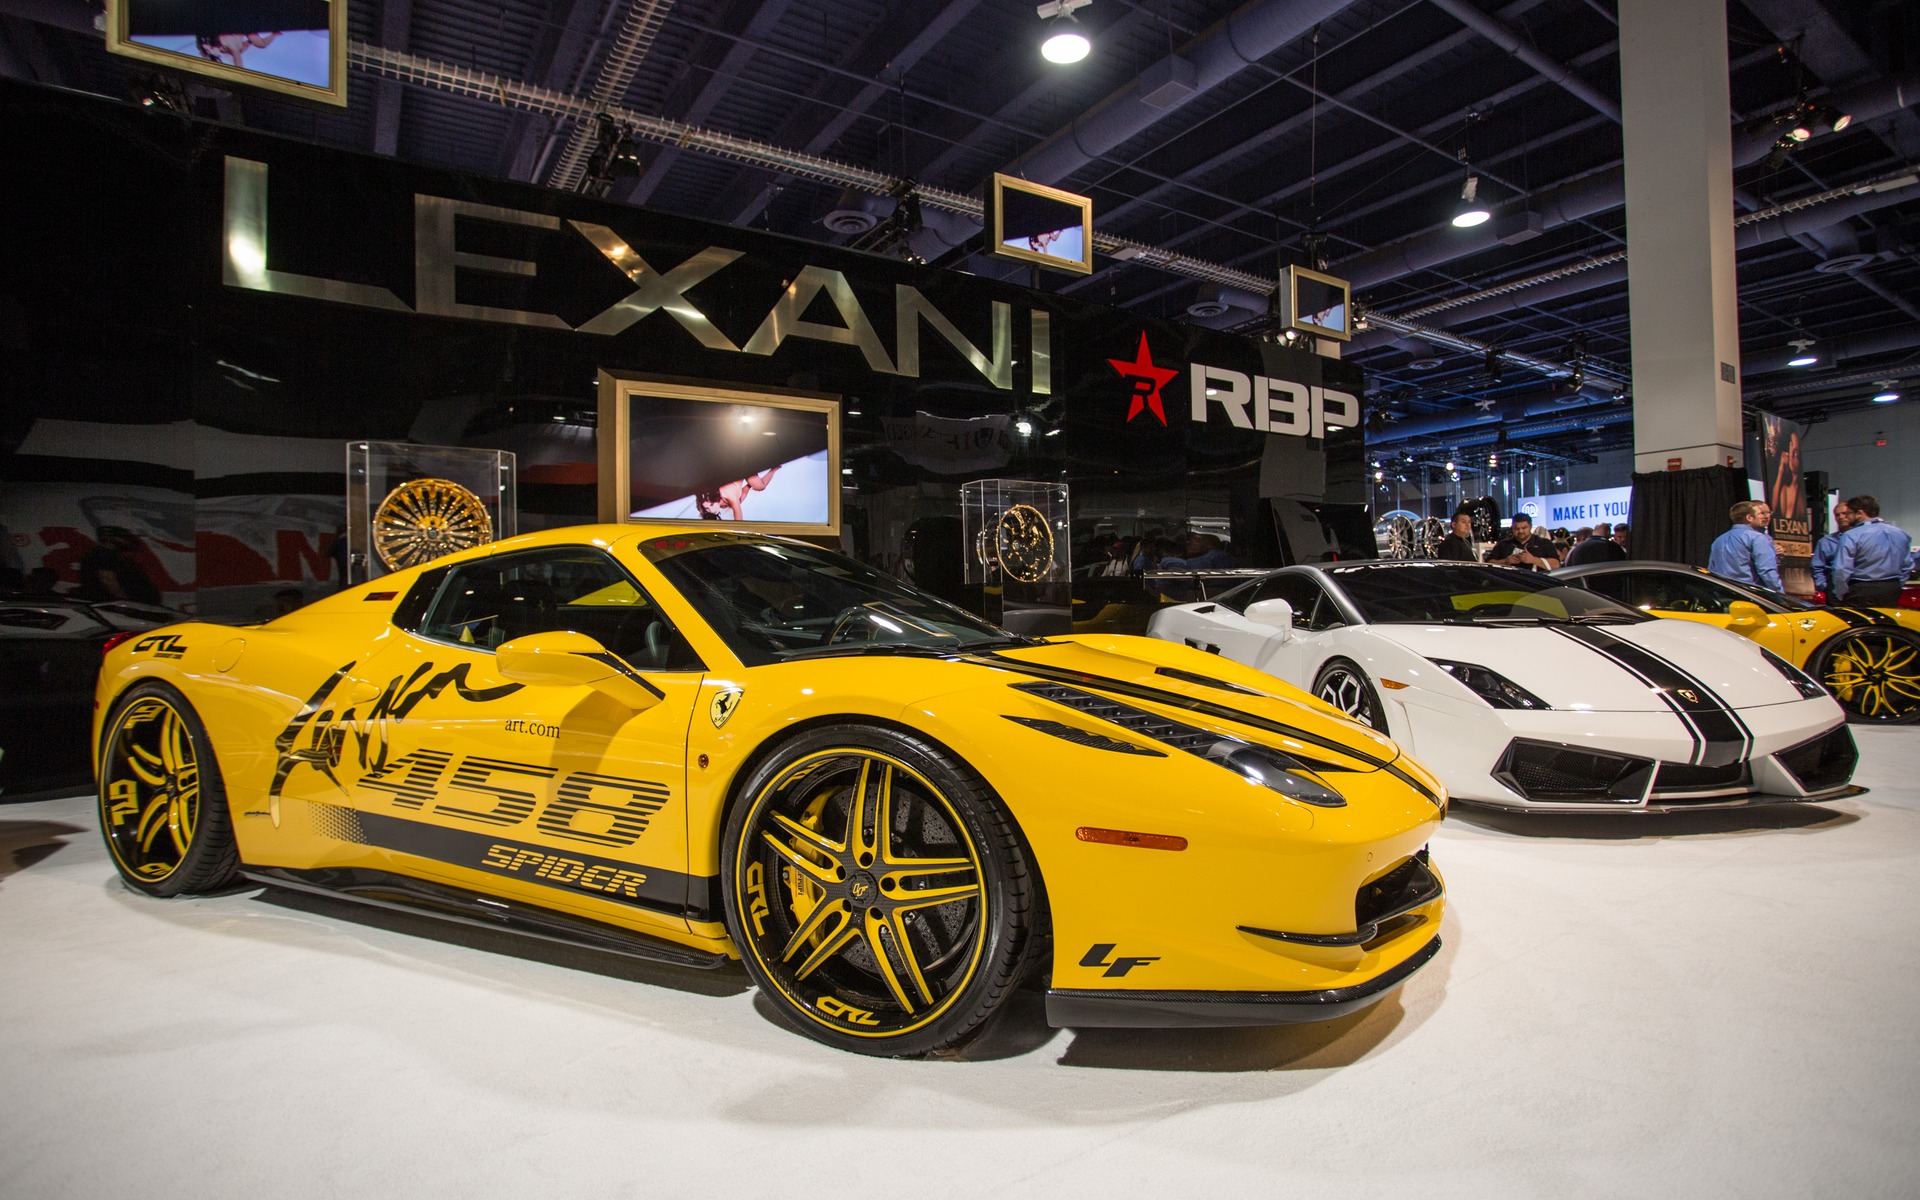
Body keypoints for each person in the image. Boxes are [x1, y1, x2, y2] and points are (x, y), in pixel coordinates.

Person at [1830, 494, 1913, 608]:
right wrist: (1897, 584)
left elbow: (1841, 569)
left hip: (1861, 589)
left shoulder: (1851, 535)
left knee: (1860, 624)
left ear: (1859, 513)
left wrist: (1841, 593)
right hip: (1892, 588)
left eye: (1848, 513)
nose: (1845, 517)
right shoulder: (1901, 534)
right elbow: (1907, 566)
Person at [76, 526, 161, 604]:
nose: (126, 541)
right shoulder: (103, 553)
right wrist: (123, 600)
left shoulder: (116, 556)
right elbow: (107, 579)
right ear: (108, 538)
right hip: (111, 606)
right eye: (122, 537)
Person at [1707, 501, 1781, 590]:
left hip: (1724, 593)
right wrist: (1780, 595)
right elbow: (1767, 571)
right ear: (1749, 517)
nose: (1764, 517)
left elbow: (1712, 570)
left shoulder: (1719, 540)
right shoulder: (1757, 538)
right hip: (1750, 595)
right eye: (1759, 514)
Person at [1810, 500, 1859, 595]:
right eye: (1837, 515)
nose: (1841, 517)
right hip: (1834, 588)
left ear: (1854, 515)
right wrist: (1824, 587)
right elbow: (1817, 567)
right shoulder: (1826, 542)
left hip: (1859, 586)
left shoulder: (1863, 538)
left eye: (1844, 513)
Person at [1484, 514, 1560, 572]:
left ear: (1530, 527)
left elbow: (1556, 565)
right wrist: (1505, 561)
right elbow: (1488, 564)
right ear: (1512, 528)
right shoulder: (1503, 544)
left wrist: (1533, 560)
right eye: (1517, 529)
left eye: (1524, 528)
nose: (1520, 531)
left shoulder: (1544, 543)